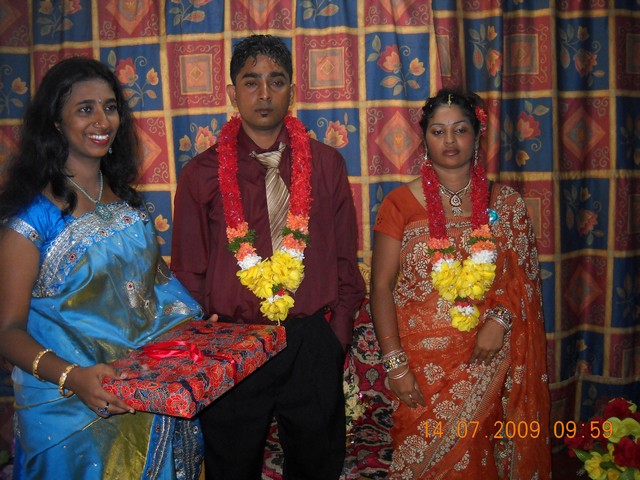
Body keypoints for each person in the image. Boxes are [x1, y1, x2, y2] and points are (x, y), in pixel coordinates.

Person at [0, 57, 205, 479]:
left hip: (144, 397)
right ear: (55, 122)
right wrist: (73, 377)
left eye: (110, 107)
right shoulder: (32, 220)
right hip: (69, 417)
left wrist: (195, 332)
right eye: (85, 109)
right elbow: (7, 332)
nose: (102, 120)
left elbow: (154, 292)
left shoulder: (127, 204)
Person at [171, 34, 365, 479]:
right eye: (251, 81)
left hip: (311, 340)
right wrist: (208, 345)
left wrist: (334, 337)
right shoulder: (201, 173)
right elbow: (188, 270)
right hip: (233, 344)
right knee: (230, 466)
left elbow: (344, 259)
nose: (264, 93)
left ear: (291, 90)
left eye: (276, 81)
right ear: (232, 92)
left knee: (316, 465)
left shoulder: (326, 164)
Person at [370, 89, 551, 479]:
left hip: (487, 360)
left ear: (477, 135)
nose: (449, 141)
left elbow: (525, 283)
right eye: (438, 131)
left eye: (460, 129)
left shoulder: (506, 204)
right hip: (419, 368)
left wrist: (500, 320)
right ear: (424, 138)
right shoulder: (399, 204)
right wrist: (395, 364)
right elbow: (381, 286)